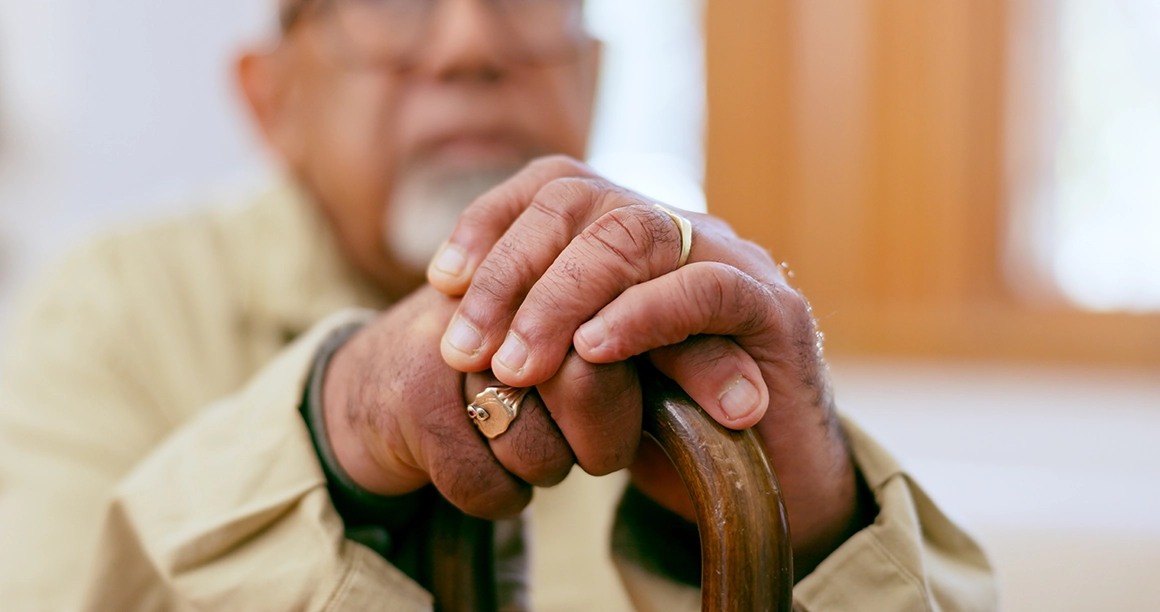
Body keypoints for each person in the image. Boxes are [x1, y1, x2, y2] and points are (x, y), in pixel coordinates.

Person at [0, 0, 996, 610]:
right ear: (274, 102)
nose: (471, 43)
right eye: (390, 0)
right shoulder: (112, 306)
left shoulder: (698, 320)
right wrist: (334, 420)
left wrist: (812, 528)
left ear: (590, 75)